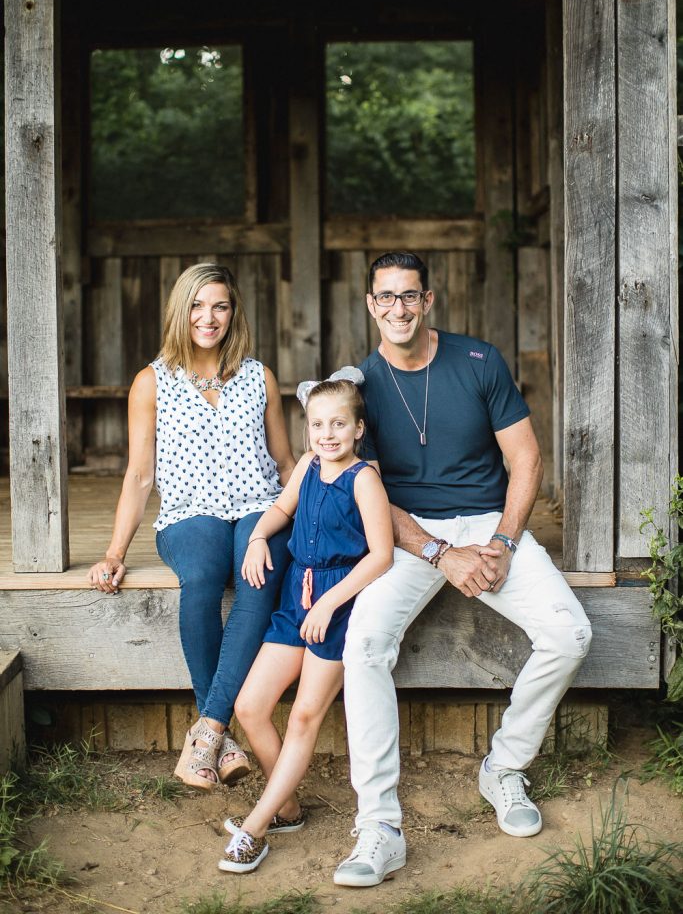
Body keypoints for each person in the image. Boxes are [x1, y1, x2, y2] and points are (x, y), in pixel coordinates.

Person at [333, 251, 593, 888]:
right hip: (407, 536)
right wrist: (436, 552)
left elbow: (526, 459)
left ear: (428, 301)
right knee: (363, 644)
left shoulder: (479, 361)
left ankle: (503, 767)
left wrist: (503, 541)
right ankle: (380, 826)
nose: (398, 308)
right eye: (385, 297)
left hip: (488, 524)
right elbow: (362, 485)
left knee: (571, 635)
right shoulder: (358, 386)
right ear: (371, 305)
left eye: (409, 296)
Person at [87, 263, 295, 791]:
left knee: (258, 576)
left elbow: (286, 462)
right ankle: (219, 735)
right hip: (188, 512)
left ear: (233, 312)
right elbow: (139, 476)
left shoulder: (258, 376)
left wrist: (309, 522)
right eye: (198, 306)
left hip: (258, 506)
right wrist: (115, 550)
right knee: (202, 576)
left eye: (220, 306)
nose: (209, 317)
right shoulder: (151, 381)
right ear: (181, 311)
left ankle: (208, 734)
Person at [217, 373, 394, 874]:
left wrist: (329, 604)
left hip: (337, 607)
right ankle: (288, 809)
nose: (327, 433)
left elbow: (380, 556)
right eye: (318, 424)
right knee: (251, 707)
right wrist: (256, 538)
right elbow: (280, 509)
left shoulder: (364, 480)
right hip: (297, 599)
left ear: (358, 428)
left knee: (303, 718)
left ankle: (254, 829)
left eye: (339, 423)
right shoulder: (309, 469)